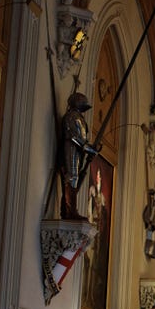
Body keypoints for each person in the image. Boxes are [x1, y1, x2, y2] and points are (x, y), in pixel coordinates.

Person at [60, 91, 97, 220]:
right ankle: (69, 211)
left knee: (75, 177)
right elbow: (74, 136)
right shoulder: (71, 116)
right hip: (71, 148)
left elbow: (82, 137)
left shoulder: (79, 117)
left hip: (78, 150)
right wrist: (87, 148)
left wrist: (88, 148)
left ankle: (71, 210)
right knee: (72, 176)